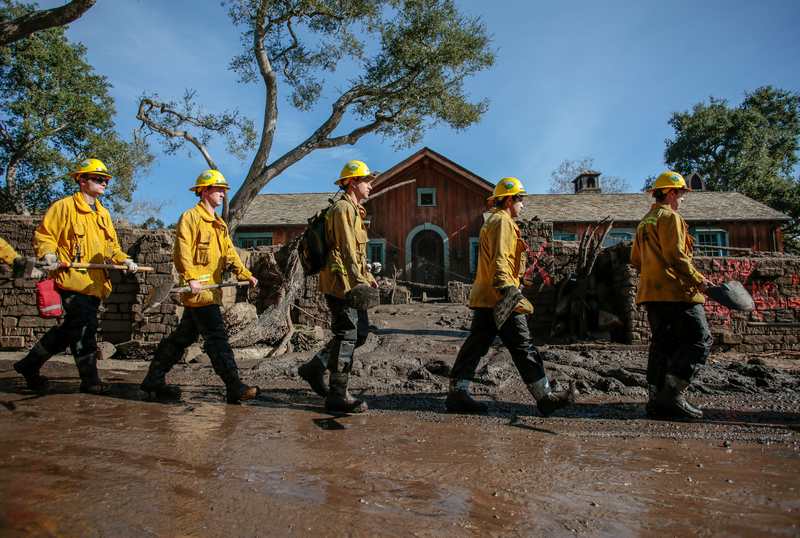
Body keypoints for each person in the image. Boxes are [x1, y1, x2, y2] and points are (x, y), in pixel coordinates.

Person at [446, 177, 576, 416]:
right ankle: (544, 396)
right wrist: (508, 287)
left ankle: (457, 391)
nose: (523, 205)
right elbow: (500, 258)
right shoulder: (502, 222)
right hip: (501, 297)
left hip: (489, 295)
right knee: (523, 345)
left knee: (477, 344)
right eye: (520, 199)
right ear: (508, 200)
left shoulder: (495, 221)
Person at [13, 158, 139, 394]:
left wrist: (125, 260)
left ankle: (29, 364)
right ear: (82, 180)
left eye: (106, 180)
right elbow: (45, 235)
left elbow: (112, 247)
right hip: (72, 281)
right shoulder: (64, 207)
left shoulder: (102, 214)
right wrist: (49, 254)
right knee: (84, 329)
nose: (104, 183)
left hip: (96, 284)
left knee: (70, 330)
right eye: (98, 179)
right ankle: (91, 381)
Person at [139, 169, 260, 404]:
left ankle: (153, 379)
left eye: (224, 189)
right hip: (198, 293)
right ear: (204, 191)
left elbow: (229, 253)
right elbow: (182, 251)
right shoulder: (190, 218)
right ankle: (234, 385)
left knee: (181, 339)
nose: (223, 193)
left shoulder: (219, 224)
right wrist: (191, 277)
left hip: (211, 291)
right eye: (218, 189)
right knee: (216, 338)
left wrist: (246, 273)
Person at [630, 170, 713, 420]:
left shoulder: (645, 221)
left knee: (662, 345)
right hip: (675, 291)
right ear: (670, 192)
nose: (682, 200)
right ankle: (673, 394)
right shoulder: (670, 217)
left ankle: (656, 399)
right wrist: (700, 280)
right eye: (681, 194)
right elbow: (676, 256)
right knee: (700, 340)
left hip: (651, 293)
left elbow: (635, 259)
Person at [298, 160, 377, 413]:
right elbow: (345, 249)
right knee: (348, 334)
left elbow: (356, 251)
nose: (370, 187)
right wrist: (358, 281)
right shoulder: (343, 209)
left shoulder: (354, 210)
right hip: (341, 283)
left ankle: (316, 367)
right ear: (353, 182)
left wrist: (367, 275)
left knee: (360, 333)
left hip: (352, 280)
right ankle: (338, 394)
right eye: (367, 181)